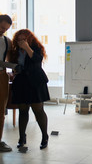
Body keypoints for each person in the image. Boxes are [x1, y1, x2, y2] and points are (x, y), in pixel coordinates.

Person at [9, 29, 50, 149]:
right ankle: (22, 137)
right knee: (23, 111)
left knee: (38, 110)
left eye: (24, 39)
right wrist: (14, 69)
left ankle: (44, 136)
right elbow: (13, 66)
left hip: (36, 82)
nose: (21, 41)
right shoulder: (15, 51)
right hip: (21, 83)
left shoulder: (37, 47)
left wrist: (27, 47)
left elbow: (37, 60)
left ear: (29, 39)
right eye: (19, 39)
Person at [0, 14, 13, 152]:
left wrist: (12, 70)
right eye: (2, 27)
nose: (3, 30)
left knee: (0, 110)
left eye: (6, 29)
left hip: (1, 76)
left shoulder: (7, 41)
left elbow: (9, 59)